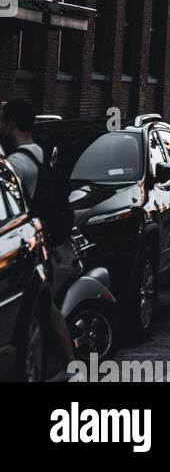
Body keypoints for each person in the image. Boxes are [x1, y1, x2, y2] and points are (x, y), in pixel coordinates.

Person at [1, 100, 75, 373]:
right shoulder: (40, 153)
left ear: (10, 123)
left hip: (32, 242)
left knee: (41, 308)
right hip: (46, 239)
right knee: (47, 308)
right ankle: (68, 362)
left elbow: (14, 205)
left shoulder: (17, 164)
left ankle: (62, 362)